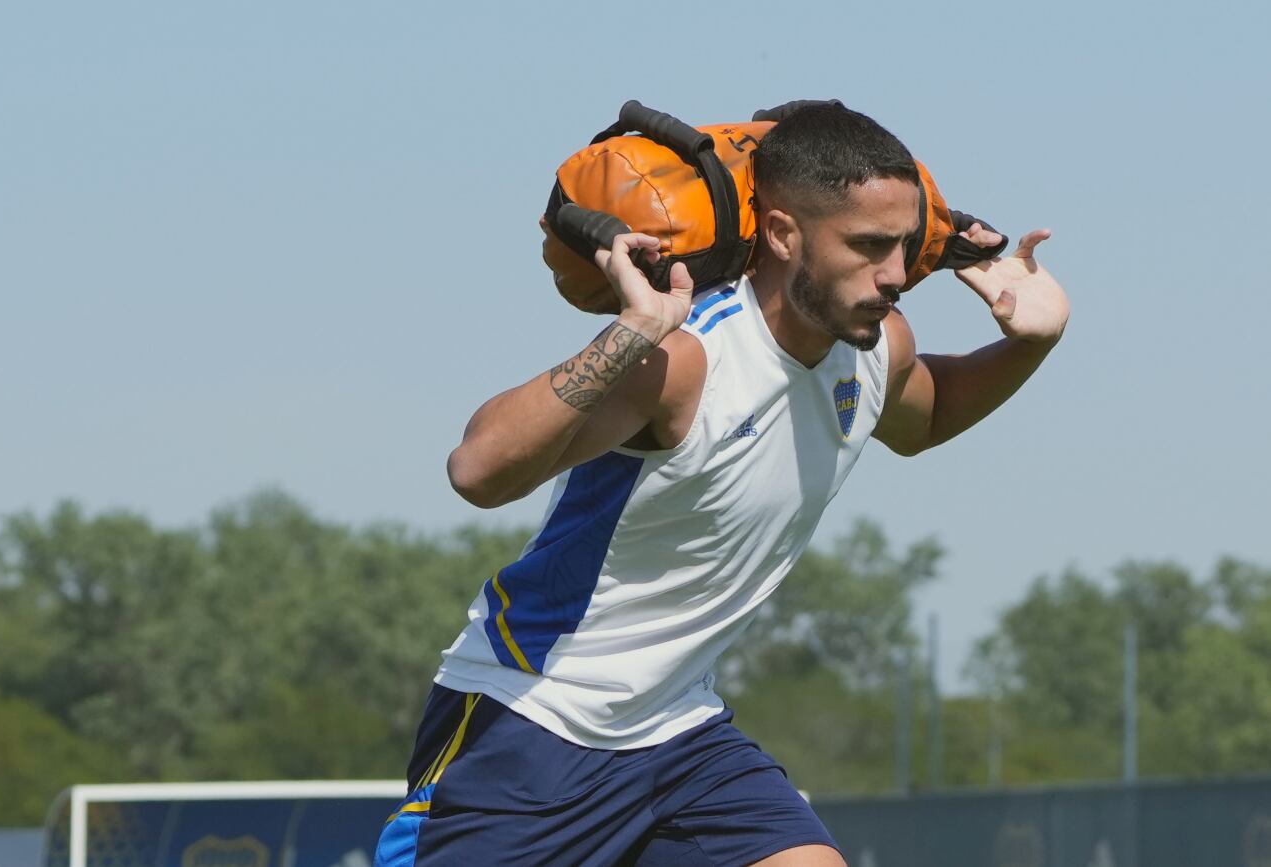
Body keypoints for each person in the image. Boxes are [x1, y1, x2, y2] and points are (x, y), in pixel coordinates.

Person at [376, 103, 1069, 867]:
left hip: (678, 734)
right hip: (534, 723)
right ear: (782, 234)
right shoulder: (685, 362)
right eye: (869, 247)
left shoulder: (875, 349)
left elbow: (926, 417)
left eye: (905, 246)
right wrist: (632, 330)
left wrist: (1030, 344)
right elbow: (476, 469)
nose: (898, 275)